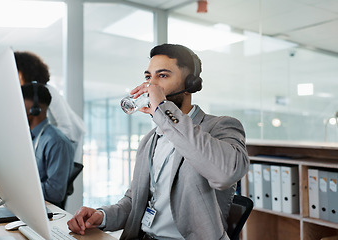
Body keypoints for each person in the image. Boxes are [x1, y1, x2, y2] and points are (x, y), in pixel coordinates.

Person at [67, 43, 250, 239]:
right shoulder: (150, 139)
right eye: (148, 77)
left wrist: (163, 108)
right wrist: (101, 216)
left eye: (162, 76)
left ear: (190, 84)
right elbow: (134, 201)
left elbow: (224, 174)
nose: (151, 86)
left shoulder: (221, 127)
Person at [21, 82, 75, 207]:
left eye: (20, 103)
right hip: (27, 205)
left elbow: (55, 193)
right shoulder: (29, 137)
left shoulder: (56, 142)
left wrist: (18, 185)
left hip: (46, 212)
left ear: (34, 108)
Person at [14, 51, 85, 146]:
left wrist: (43, 145)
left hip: (68, 144)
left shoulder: (47, 91)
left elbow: (67, 128)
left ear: (24, 72)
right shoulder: (28, 96)